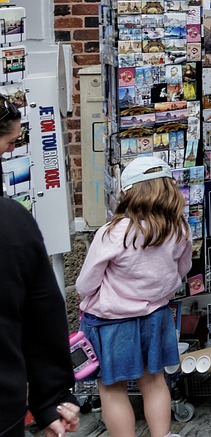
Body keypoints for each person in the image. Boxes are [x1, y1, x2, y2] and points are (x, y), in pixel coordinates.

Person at [76, 156, 192, 437]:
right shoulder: (179, 230)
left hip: (112, 322)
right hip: (156, 316)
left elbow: (84, 283)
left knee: (111, 387)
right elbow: (183, 269)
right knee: (153, 381)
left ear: (128, 192)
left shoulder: (114, 233)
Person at [1, 95, 81, 437]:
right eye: (8, 143)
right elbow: (41, 316)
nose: (8, 153)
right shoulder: (11, 223)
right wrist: (51, 399)